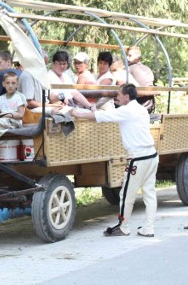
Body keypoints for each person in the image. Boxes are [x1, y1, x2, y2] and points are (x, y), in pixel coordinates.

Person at [67, 83, 159, 238]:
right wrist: (94, 109)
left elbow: (96, 117)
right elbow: (104, 114)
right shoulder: (141, 109)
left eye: (119, 94)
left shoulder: (125, 111)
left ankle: (123, 226)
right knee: (149, 193)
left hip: (138, 158)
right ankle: (149, 227)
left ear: (127, 96)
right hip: (151, 155)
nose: (117, 97)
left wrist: (74, 112)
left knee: (126, 194)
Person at [0, 72, 27, 142]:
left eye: (13, 83)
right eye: (7, 83)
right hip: (2, 121)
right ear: (3, 84)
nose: (10, 86)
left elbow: (20, 115)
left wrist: (7, 115)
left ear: (17, 84)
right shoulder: (1, 98)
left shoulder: (19, 96)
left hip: (14, 121)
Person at [126, 46, 155, 112]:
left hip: (137, 107)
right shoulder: (147, 68)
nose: (127, 58)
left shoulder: (128, 69)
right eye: (126, 55)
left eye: (130, 56)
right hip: (149, 106)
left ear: (137, 58)